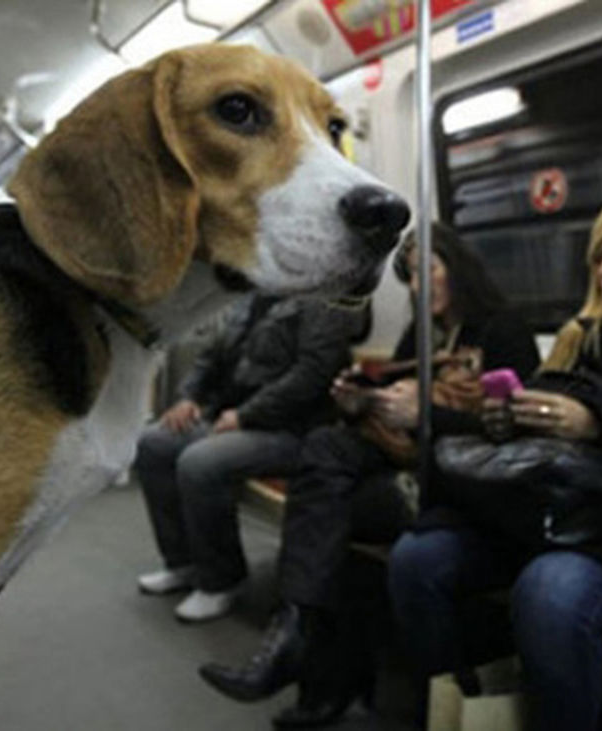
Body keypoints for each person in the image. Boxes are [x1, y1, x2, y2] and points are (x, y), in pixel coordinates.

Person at [387, 197, 602, 731]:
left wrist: (599, 424)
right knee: (417, 559)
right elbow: (535, 429)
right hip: (546, 510)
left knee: (549, 593)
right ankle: (452, 705)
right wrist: (508, 418)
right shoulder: (578, 337)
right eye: (599, 258)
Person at [199, 223, 540, 728]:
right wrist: (361, 400)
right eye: (412, 277)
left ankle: (315, 668)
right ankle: (303, 640)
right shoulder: (421, 332)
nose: (419, 286)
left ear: (458, 268)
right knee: (326, 460)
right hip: (407, 461)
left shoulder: (502, 331)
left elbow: (510, 433)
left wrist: (425, 413)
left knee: (331, 521)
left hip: (462, 482)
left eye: (429, 271)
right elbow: (392, 399)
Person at [134, 293, 361, 622]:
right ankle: (183, 563)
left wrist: (246, 415)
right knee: (154, 444)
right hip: (230, 415)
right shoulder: (251, 295)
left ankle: (221, 579)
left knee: (201, 463)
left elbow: (314, 373)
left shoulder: (324, 300)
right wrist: (189, 397)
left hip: (293, 429)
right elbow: (210, 356)